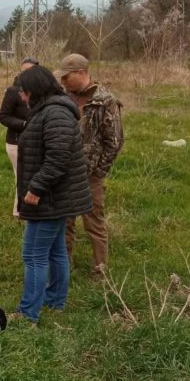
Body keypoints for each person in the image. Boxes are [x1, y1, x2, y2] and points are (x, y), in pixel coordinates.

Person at [14, 65, 92, 323]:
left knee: (33, 255)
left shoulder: (55, 113)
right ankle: (56, 300)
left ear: (35, 90)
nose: (22, 98)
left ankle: (28, 314)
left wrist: (36, 188)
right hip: (58, 198)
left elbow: (57, 158)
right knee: (56, 250)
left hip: (50, 198)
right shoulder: (50, 110)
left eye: (24, 92)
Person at [55, 53, 124, 279]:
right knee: (65, 222)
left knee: (94, 222)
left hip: (90, 175)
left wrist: (98, 172)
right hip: (64, 171)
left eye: (67, 77)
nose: (63, 82)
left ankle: (100, 271)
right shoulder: (64, 98)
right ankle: (64, 266)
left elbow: (113, 141)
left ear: (82, 73)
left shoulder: (105, 101)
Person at [0, 57, 39, 217]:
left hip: (36, 142)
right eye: (24, 71)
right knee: (21, 177)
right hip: (16, 143)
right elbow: (3, 117)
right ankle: (19, 212)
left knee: (33, 177)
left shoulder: (42, 93)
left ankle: (29, 210)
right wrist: (25, 124)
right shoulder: (13, 91)